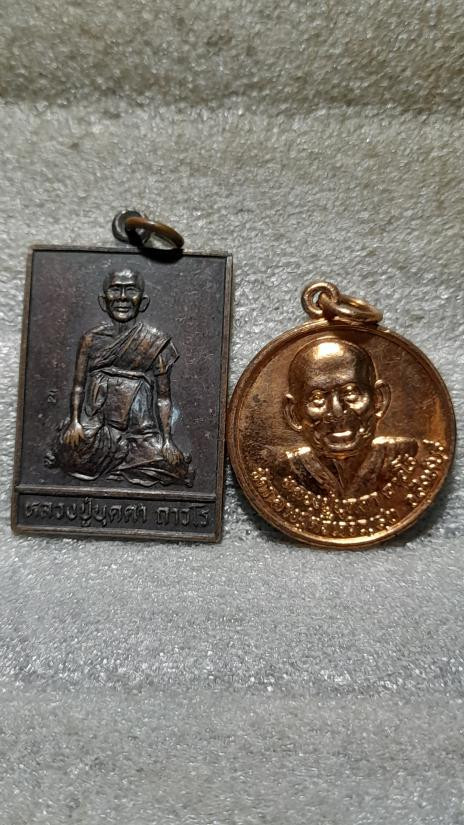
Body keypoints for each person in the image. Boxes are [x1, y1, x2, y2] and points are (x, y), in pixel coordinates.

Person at [46, 268, 194, 487]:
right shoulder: (90, 339)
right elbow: (78, 386)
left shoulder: (156, 342)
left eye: (130, 290)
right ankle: (118, 463)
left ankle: (120, 462)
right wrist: (75, 422)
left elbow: (163, 398)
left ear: (143, 302)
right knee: (68, 449)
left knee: (174, 467)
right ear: (103, 300)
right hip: (96, 424)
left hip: (140, 430)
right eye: (115, 290)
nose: (122, 297)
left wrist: (167, 441)